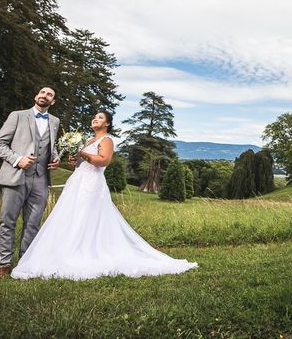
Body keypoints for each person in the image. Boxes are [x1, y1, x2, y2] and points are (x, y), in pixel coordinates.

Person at [11, 111, 198, 280]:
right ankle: (66, 250)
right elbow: (82, 164)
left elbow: (103, 161)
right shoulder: (89, 141)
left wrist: (82, 153)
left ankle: (83, 252)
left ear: (107, 124)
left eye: (100, 117)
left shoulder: (106, 140)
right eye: (94, 117)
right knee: (71, 216)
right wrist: (74, 160)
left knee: (86, 217)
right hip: (78, 182)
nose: (95, 119)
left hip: (92, 185)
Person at [0, 86, 61, 277]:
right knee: (8, 220)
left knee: (33, 223)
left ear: (52, 101)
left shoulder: (55, 121)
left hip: (40, 179)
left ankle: (25, 262)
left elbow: (50, 147)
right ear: (36, 96)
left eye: (49, 95)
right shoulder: (18, 115)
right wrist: (17, 159)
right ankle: (4, 263)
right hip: (16, 176)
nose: (44, 96)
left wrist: (55, 159)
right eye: (42, 92)